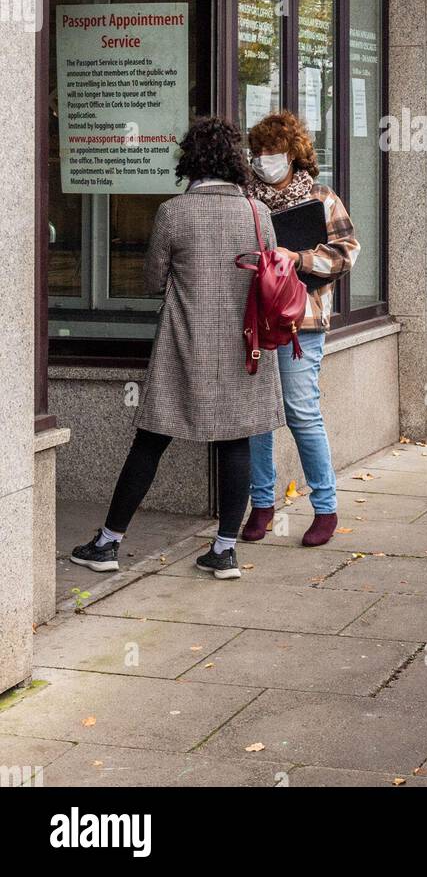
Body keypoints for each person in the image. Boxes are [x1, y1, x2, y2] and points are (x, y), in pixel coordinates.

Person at [70, 117, 284, 580]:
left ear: (190, 160)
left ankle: (108, 543)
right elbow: (270, 276)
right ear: (235, 162)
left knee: (150, 440)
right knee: (236, 441)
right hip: (244, 347)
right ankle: (225, 550)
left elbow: (152, 280)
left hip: (184, 343)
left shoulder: (173, 212)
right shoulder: (257, 213)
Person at [242, 110, 359, 547]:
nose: (263, 161)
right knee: (256, 417)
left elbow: (346, 253)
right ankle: (262, 503)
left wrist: (300, 258)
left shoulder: (320, 197)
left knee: (301, 412)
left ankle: (325, 508)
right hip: (254, 321)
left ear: (292, 155)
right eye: (258, 153)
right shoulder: (244, 200)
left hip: (302, 322)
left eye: (272, 153)